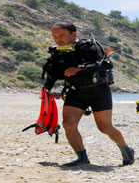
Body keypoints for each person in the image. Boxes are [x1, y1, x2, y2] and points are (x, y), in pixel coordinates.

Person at [43, 22, 134, 166]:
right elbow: (53, 73)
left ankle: (126, 149)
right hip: (75, 91)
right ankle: (82, 157)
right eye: (54, 36)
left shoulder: (89, 46)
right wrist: (46, 89)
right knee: (68, 124)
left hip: (98, 90)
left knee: (105, 128)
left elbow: (107, 65)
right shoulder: (57, 51)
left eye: (61, 35)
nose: (57, 39)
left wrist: (78, 69)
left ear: (73, 34)